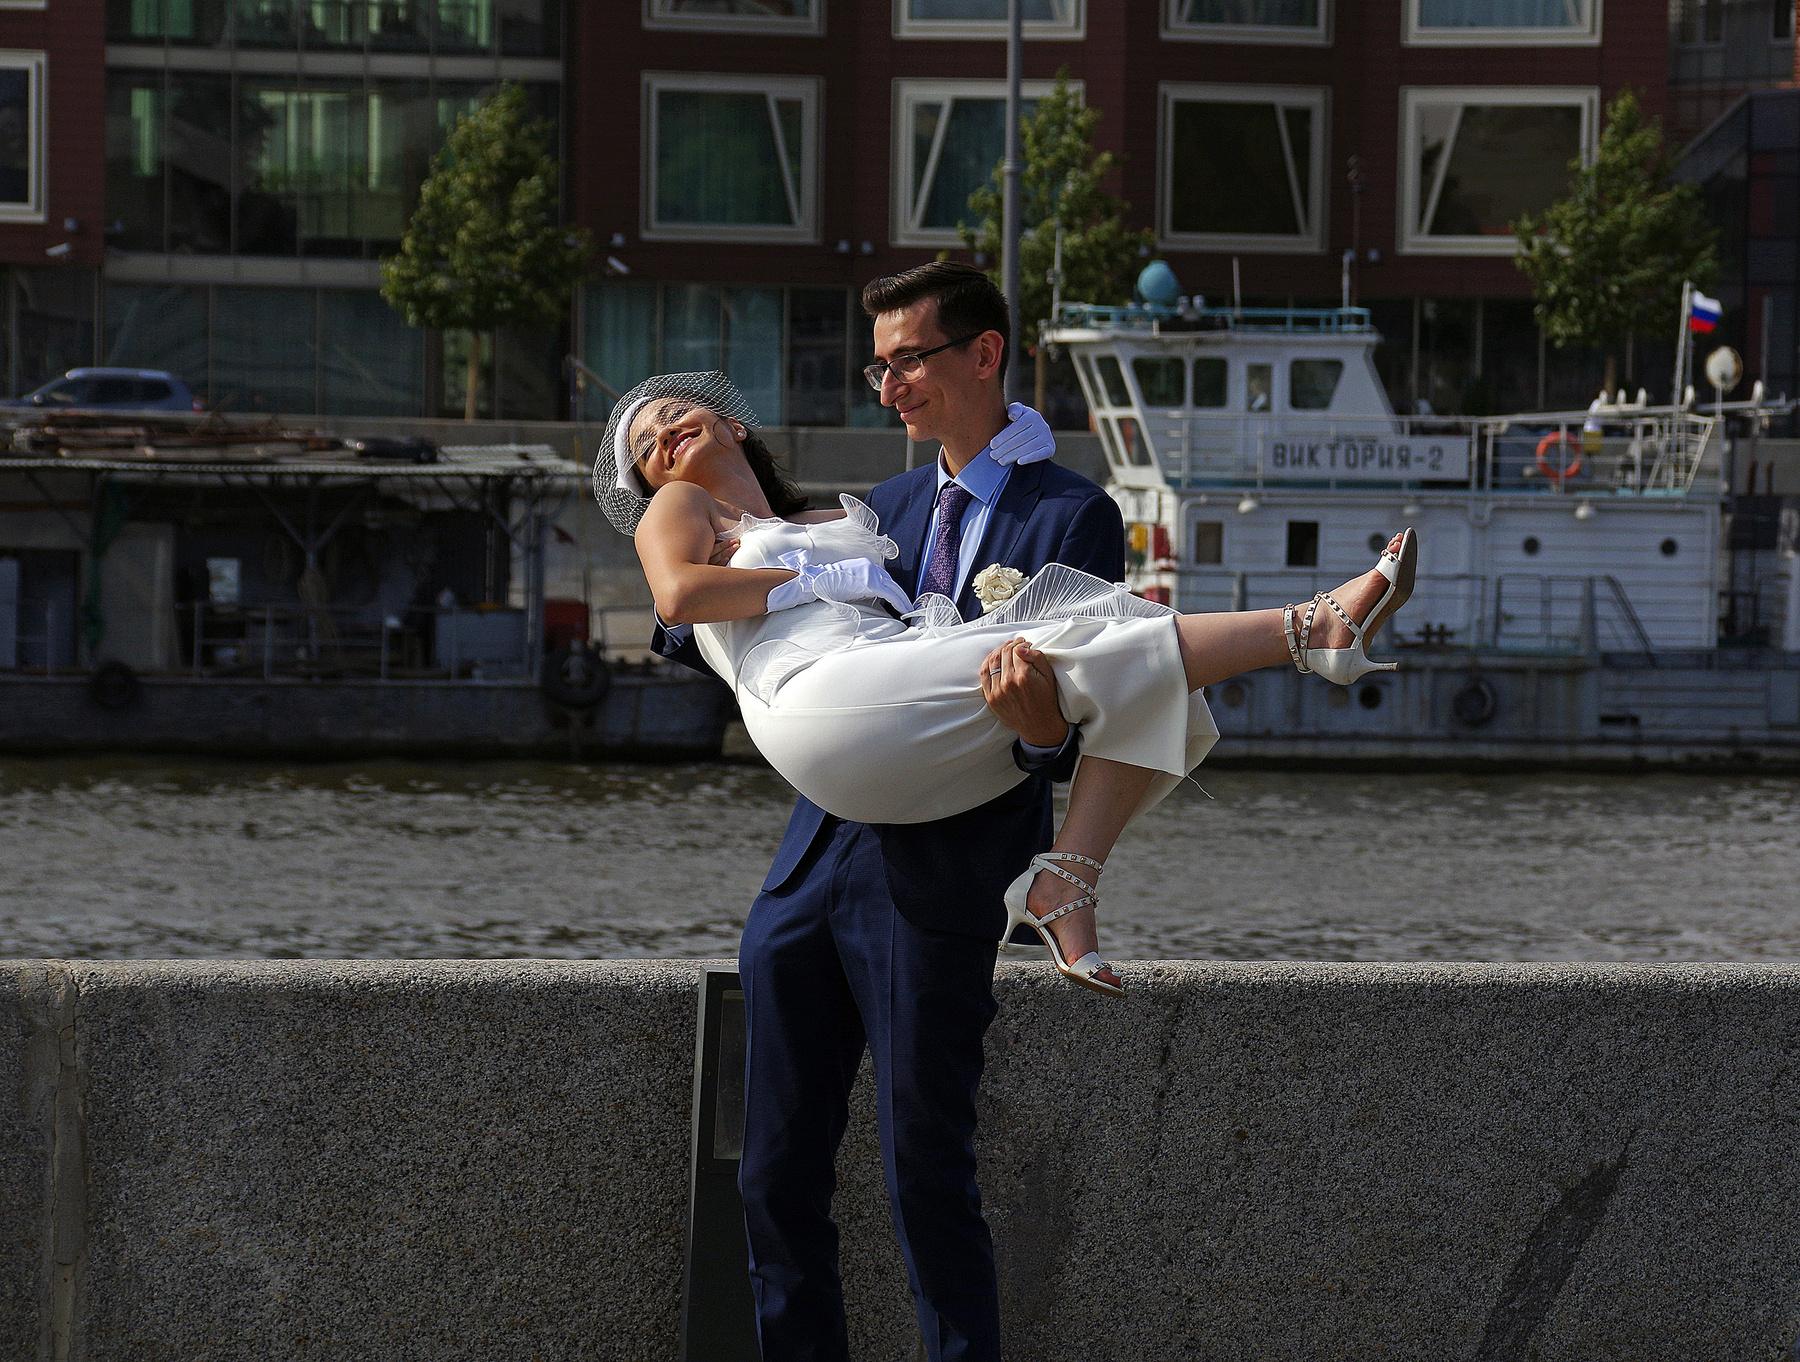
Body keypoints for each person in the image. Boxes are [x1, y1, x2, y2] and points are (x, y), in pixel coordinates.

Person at [601, 264, 1415, 1360]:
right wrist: (737, 566)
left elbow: (1068, 725)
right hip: (817, 861)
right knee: (772, 1172)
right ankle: (1278, 660)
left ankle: (1094, 848)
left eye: (907, 360)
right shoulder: (873, 510)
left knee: (926, 1168)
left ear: (983, 354)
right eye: (878, 367)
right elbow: (699, 613)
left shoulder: (1072, 513)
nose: (888, 385)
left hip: (941, 877)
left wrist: (1035, 736)